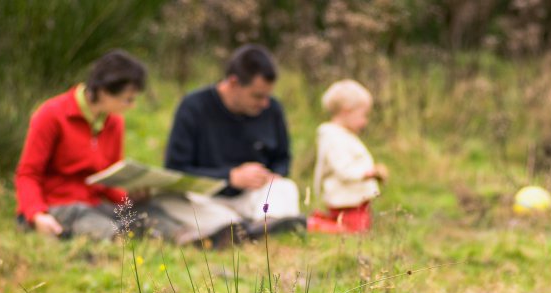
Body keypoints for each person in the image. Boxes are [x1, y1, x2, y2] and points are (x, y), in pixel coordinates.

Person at [15, 50, 212, 245]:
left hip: (96, 203)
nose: (132, 105)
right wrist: (37, 214)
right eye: (128, 99)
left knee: (146, 211)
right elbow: (28, 174)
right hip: (58, 204)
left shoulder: (114, 122)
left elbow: (107, 179)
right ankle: (120, 240)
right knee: (90, 219)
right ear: (103, 91)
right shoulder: (52, 114)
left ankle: (186, 238)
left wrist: (129, 196)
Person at [162, 44, 304, 241]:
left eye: (267, 95)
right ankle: (239, 227)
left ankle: (261, 225)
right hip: (207, 199)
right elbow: (176, 169)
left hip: (253, 197)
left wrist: (274, 175)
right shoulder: (193, 106)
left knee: (285, 188)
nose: (264, 103)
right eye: (257, 96)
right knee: (170, 199)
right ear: (233, 82)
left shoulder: (272, 110)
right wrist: (230, 177)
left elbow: (282, 159)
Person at [307, 79, 388, 234]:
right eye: (363, 115)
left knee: (362, 227)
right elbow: (342, 169)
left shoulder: (345, 135)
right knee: (352, 230)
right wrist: (368, 173)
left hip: (356, 198)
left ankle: (322, 222)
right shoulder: (333, 138)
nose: (365, 121)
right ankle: (315, 224)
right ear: (346, 111)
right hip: (345, 200)